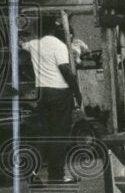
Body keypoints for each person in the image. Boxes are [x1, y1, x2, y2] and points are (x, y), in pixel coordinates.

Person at [20, 17, 82, 184]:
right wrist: (78, 93)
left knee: (47, 134)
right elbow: (66, 71)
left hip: (42, 95)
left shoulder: (34, 44)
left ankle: (31, 169)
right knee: (60, 136)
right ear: (54, 30)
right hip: (60, 94)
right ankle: (57, 176)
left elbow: (21, 44)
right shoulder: (59, 46)